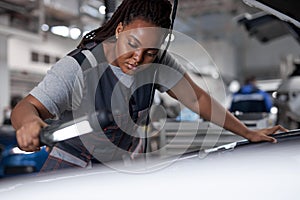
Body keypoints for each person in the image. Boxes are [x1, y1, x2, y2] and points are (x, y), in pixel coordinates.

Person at [11, 0, 286, 172]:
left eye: (150, 53)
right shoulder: (78, 67)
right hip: (68, 170)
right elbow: (27, 107)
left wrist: (248, 133)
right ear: (119, 30)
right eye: (132, 45)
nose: (139, 59)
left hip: (115, 171)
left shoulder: (159, 64)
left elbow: (198, 100)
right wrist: (28, 124)